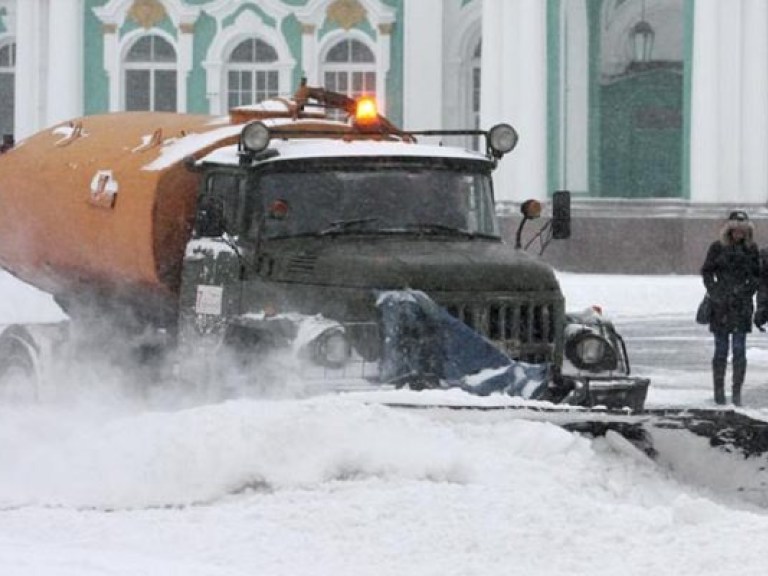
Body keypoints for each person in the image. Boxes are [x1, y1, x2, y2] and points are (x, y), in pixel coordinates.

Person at [701, 210, 760, 406]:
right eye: (735, 230)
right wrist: (716, 291)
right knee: (721, 350)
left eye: (742, 230)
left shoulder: (751, 250)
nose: (739, 234)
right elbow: (707, 271)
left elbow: (756, 276)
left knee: (739, 349)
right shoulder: (717, 248)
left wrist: (744, 291)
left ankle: (736, 393)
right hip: (720, 307)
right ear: (729, 230)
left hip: (741, 306)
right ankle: (719, 393)